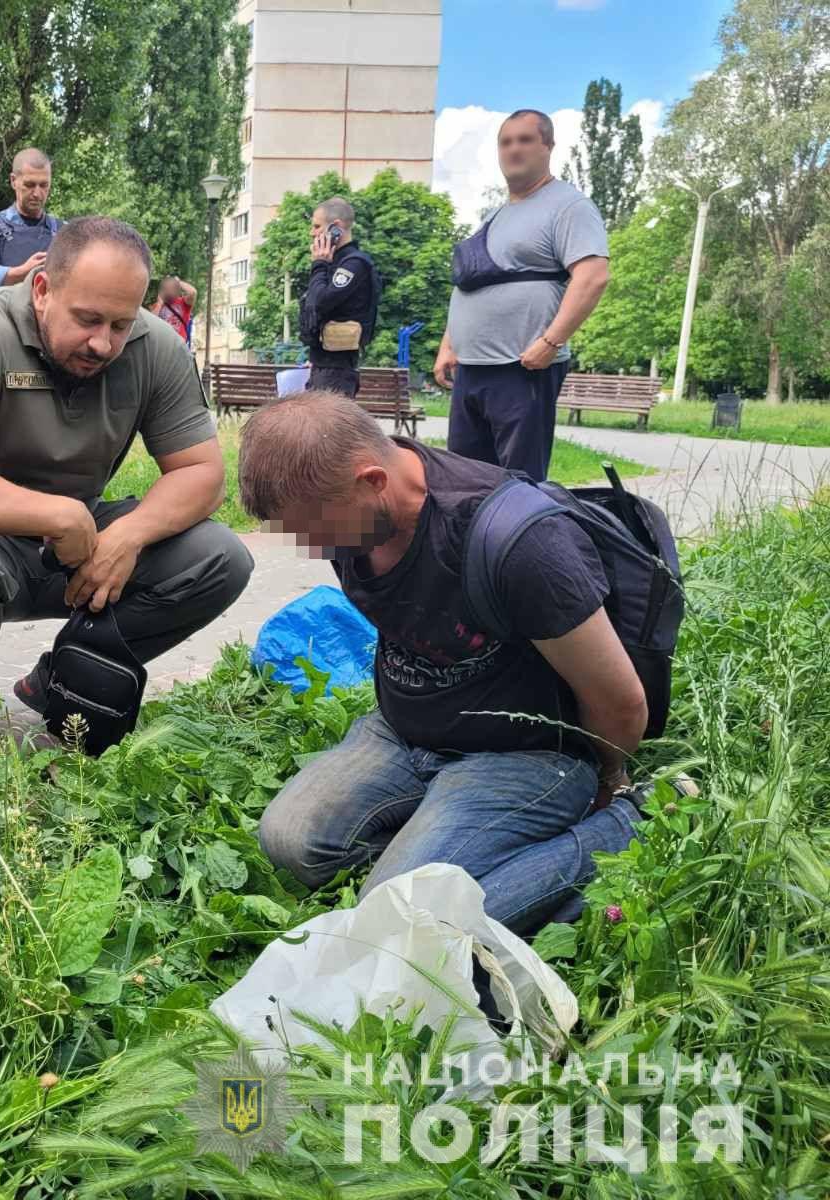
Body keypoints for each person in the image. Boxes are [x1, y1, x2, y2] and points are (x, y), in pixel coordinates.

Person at [239, 391, 647, 934]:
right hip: (403, 735)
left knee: (398, 915)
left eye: (317, 531)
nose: (312, 549)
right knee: (292, 843)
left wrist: (607, 776)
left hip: (522, 754)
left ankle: (623, 824)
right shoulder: (351, 514)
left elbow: (620, 698)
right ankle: (456, 851)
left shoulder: (521, 544)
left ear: (372, 481)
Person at [0, 216, 254, 726]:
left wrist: (129, 536)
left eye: (120, 324)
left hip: (87, 546)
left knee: (221, 558)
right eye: (87, 319)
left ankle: (66, 674)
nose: (103, 344)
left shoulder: (157, 348)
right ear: (41, 289)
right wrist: (55, 514)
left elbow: (203, 472)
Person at [433, 109, 610, 482]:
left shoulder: (569, 206)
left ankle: (519, 542)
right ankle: (471, 542)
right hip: (472, 369)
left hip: (523, 368)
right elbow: (470, 284)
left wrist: (551, 341)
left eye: (525, 140)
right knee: (464, 478)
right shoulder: (496, 215)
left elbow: (592, 276)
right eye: (506, 142)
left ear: (547, 146)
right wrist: (449, 345)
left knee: (518, 482)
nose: (514, 149)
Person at [298, 197, 379, 398]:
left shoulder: (354, 264)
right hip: (323, 365)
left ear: (336, 228)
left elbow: (319, 302)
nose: (312, 233)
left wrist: (319, 264)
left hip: (336, 371)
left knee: (328, 428)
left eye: (317, 226)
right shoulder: (333, 263)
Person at [0, 148, 60, 292]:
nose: (37, 193)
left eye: (44, 185)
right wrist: (21, 272)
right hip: (5, 314)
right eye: (29, 185)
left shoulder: (63, 231)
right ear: (13, 181)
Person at [149, 275, 196, 344]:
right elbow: (150, 323)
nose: (169, 291)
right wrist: (159, 303)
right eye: (166, 288)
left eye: (172, 288)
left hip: (178, 346)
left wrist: (178, 282)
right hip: (162, 345)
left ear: (177, 289)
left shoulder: (183, 303)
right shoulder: (157, 305)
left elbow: (192, 292)